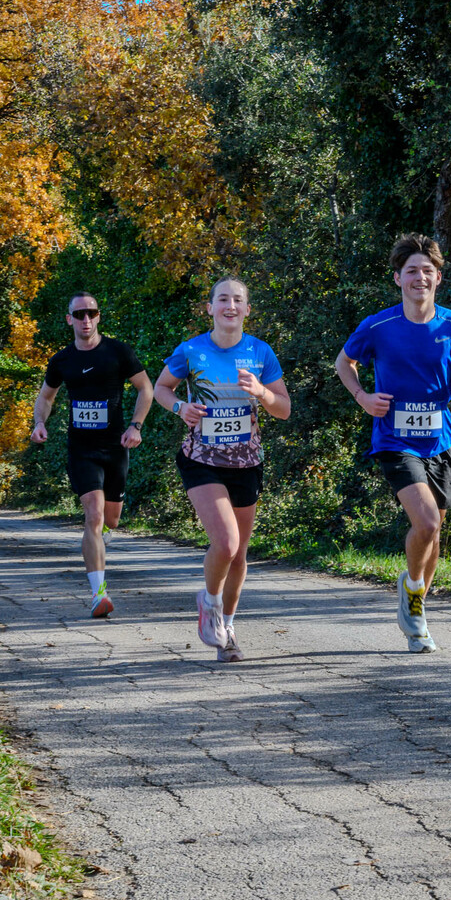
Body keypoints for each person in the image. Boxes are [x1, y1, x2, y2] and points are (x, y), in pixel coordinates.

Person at [335, 233, 451, 654]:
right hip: (394, 439)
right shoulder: (379, 326)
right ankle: (411, 590)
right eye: (412, 271)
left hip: (442, 440)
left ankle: (417, 611)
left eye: (427, 271)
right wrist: (362, 396)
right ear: (398, 278)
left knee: (435, 531)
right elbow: (344, 362)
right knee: (425, 522)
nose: (420, 278)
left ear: (438, 278)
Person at [154, 278, 291, 662]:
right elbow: (161, 388)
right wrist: (180, 407)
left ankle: (227, 630)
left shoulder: (260, 352)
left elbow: (284, 408)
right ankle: (210, 603)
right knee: (226, 544)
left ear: (247, 309)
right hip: (202, 461)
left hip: (246, 463)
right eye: (223, 299)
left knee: (240, 554)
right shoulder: (191, 350)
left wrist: (262, 393)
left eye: (238, 300)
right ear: (210, 308)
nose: (230, 306)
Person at [31, 292, 153, 618]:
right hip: (82, 449)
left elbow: (146, 388)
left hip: (115, 447)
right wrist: (39, 422)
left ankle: (98, 538)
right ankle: (99, 594)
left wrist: (136, 426)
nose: (86, 319)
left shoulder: (118, 352)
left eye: (92, 313)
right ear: (69, 319)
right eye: (79, 314)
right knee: (94, 516)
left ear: (99, 316)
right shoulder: (62, 360)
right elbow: (46, 396)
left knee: (111, 520)